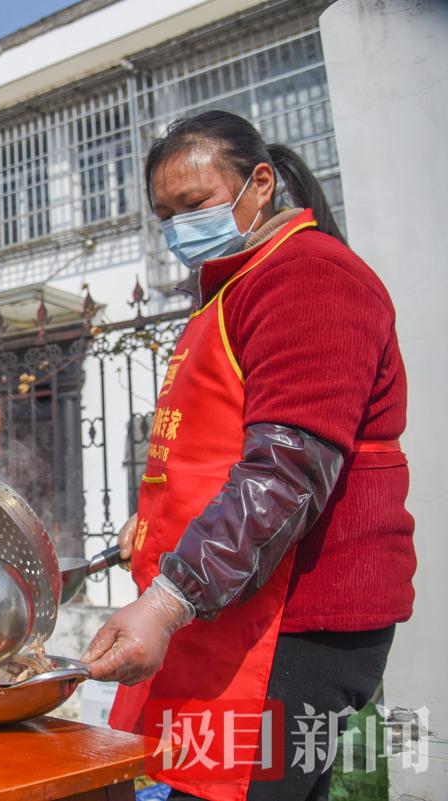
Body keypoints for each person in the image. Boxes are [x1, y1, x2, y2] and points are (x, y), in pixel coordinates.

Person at [81, 111, 415, 801]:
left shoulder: (310, 275)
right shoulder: (234, 286)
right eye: (164, 213)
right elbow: (212, 446)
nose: (177, 227)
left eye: (193, 204)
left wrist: (170, 599)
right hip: (235, 600)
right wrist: (152, 528)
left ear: (259, 183)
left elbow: (286, 471)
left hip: (296, 619)